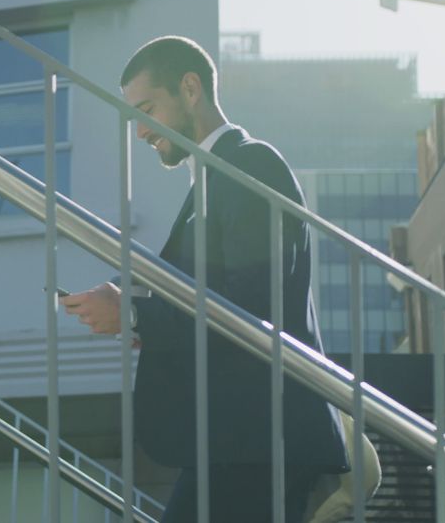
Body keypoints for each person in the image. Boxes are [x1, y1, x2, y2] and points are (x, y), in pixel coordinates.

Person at [61, 36, 348, 522]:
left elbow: (250, 304)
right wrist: (142, 320)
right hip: (239, 437)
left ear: (190, 88)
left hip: (261, 437)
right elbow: (217, 297)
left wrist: (135, 312)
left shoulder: (250, 164)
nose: (139, 131)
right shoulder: (215, 178)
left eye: (147, 109)